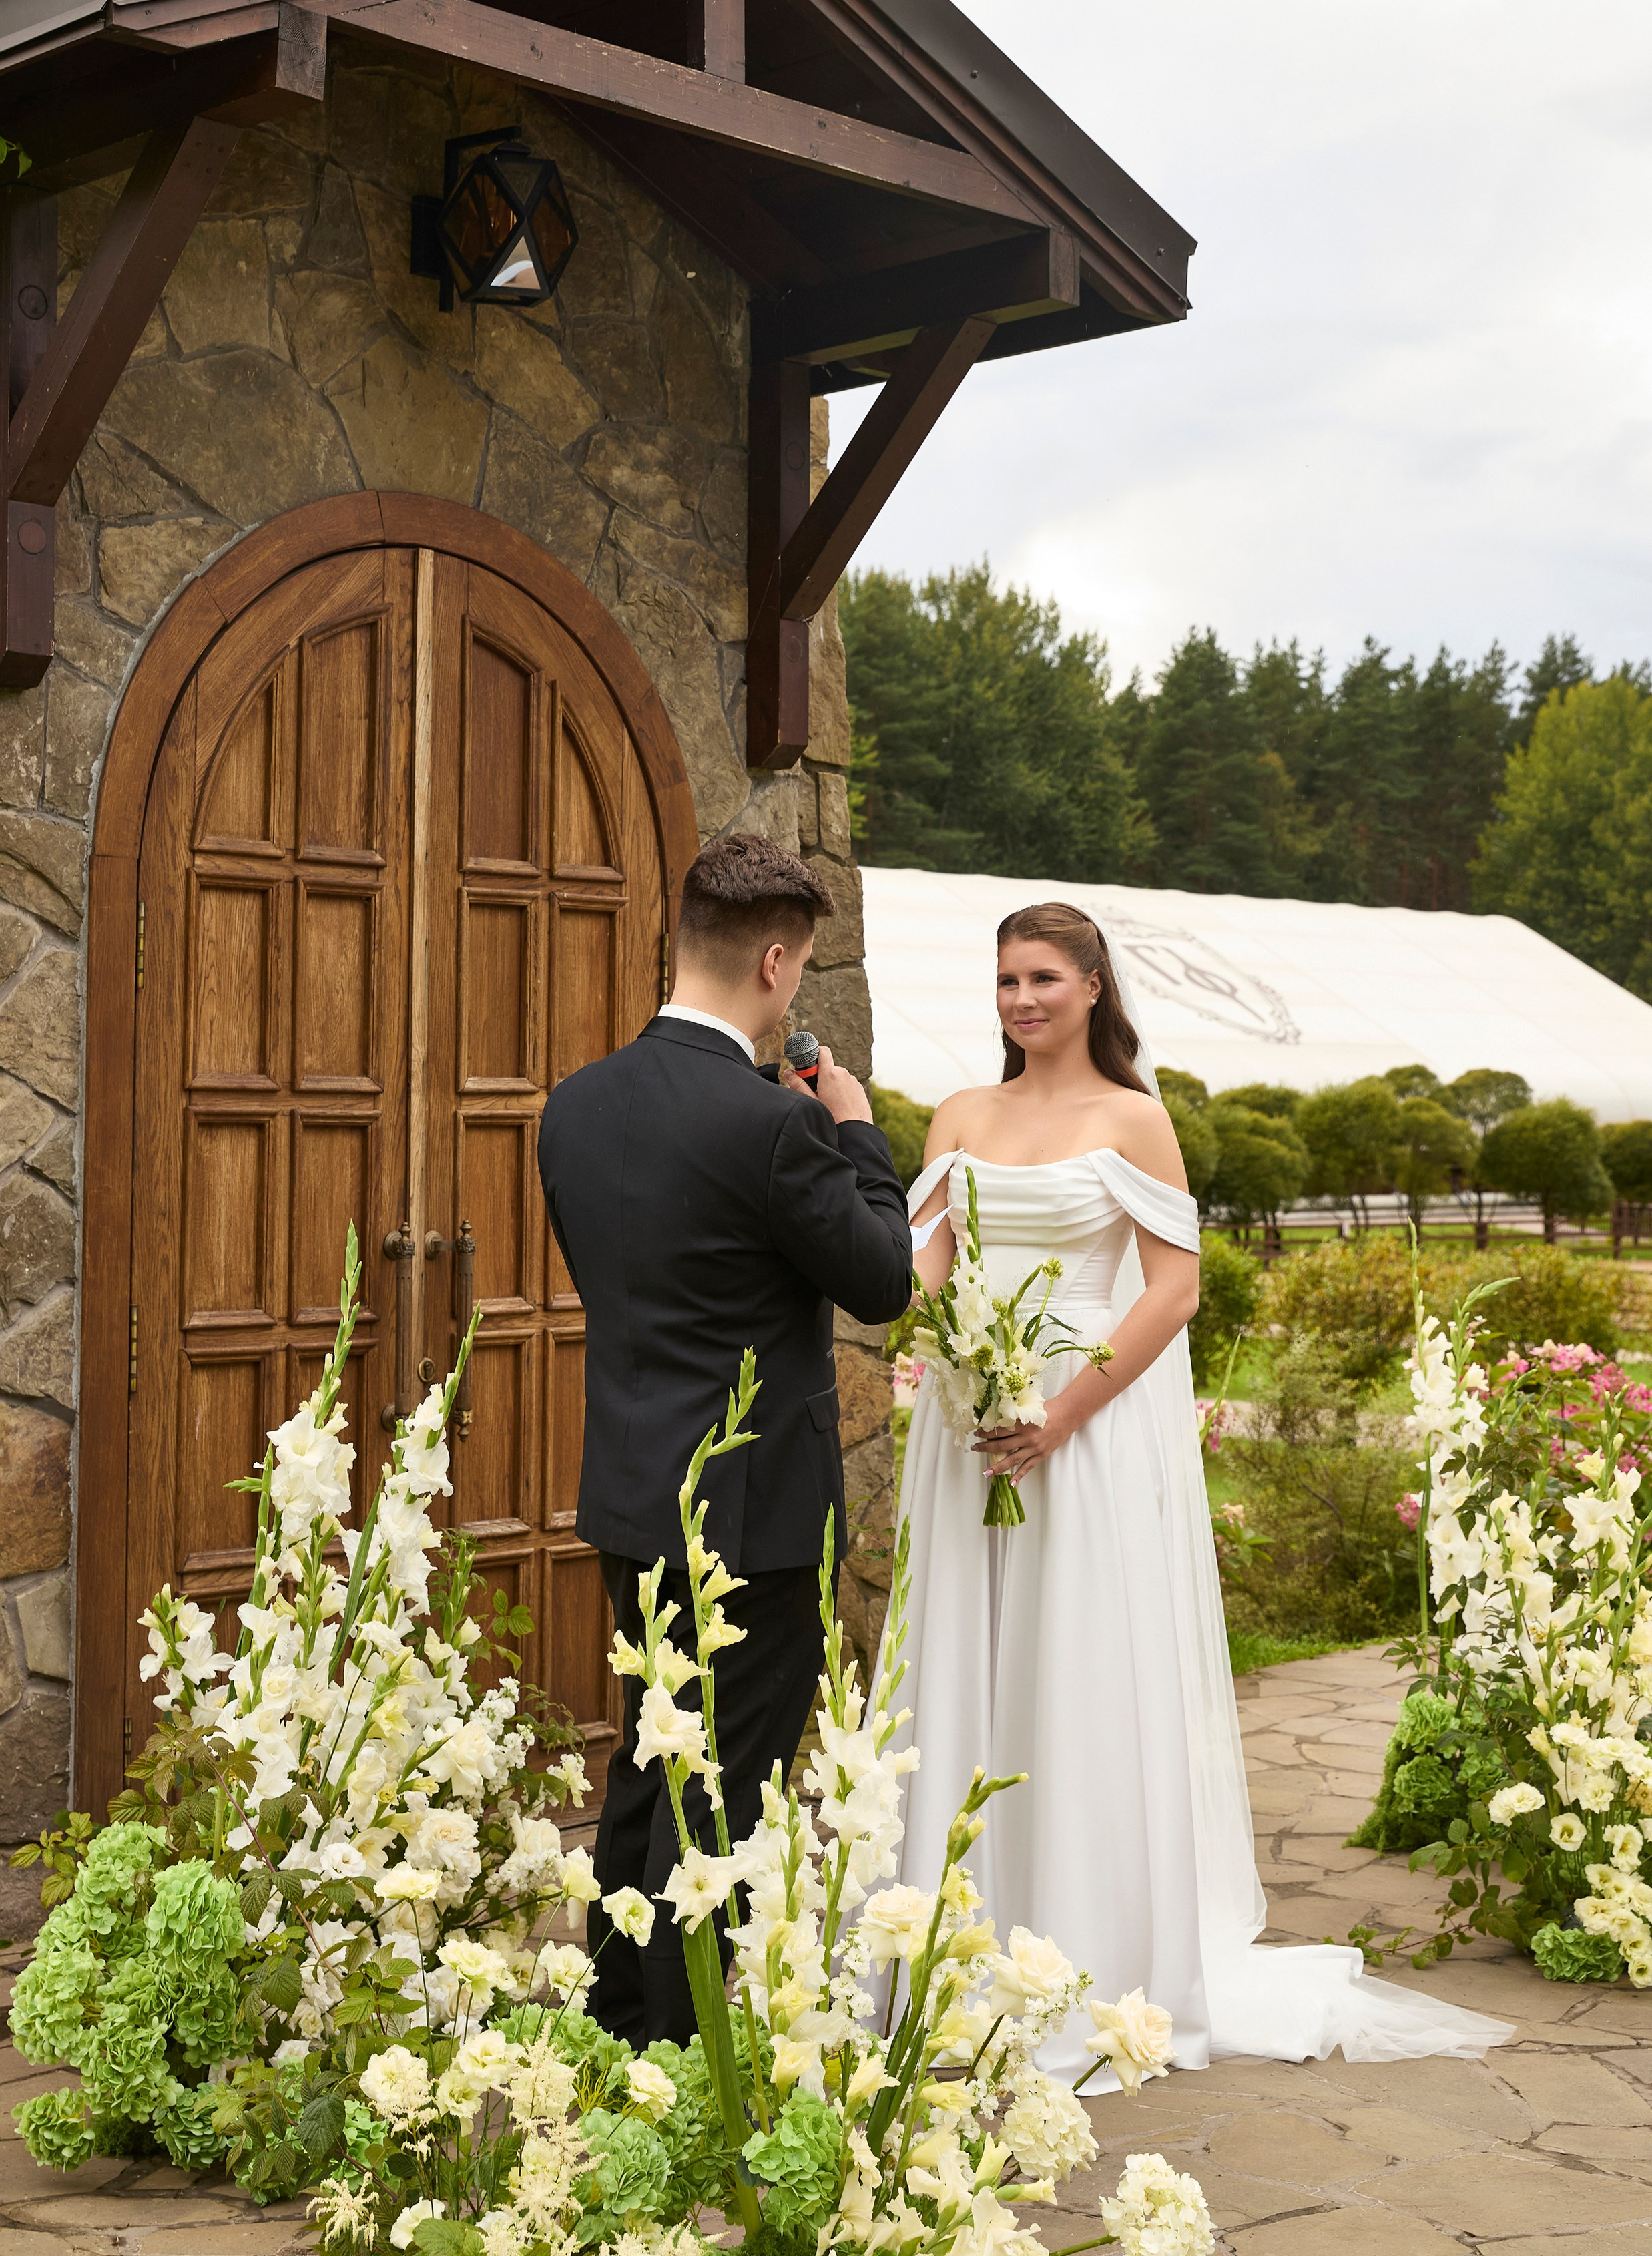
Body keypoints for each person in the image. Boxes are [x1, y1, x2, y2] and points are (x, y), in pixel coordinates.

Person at [890, 900, 1511, 2076]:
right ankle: (948, 1944)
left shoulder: (1137, 1119)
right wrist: (951, 1355)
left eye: (1041, 978)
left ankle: (1080, 1949)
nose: (1020, 1000)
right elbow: (928, 1272)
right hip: (972, 1427)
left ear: (1091, 985)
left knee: (1069, 1666)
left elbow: (1173, 1292)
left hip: (1082, 1426)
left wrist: (1059, 1417)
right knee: (964, 1662)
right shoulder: (961, 1115)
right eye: (1005, 981)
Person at [538, 831, 912, 2046]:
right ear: (771, 959)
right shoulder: (778, 1124)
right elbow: (881, 1279)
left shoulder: (575, 1106)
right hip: (752, 1512)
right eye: (796, 967)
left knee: (650, 1768)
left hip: (634, 1493)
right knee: (730, 1791)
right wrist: (853, 1129)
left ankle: (615, 2024)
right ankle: (683, 2049)